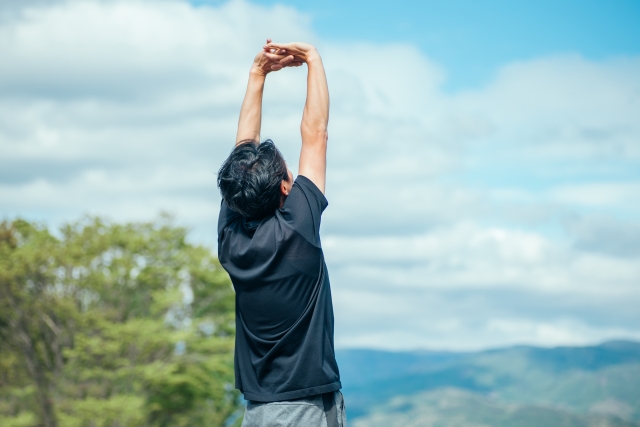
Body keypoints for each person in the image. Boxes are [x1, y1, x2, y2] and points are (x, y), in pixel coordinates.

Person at [217, 40, 346, 427]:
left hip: (266, 410)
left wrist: (258, 73)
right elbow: (316, 133)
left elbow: (243, 152)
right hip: (300, 412)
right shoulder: (298, 232)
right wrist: (313, 60)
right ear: (287, 190)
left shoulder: (231, 239)